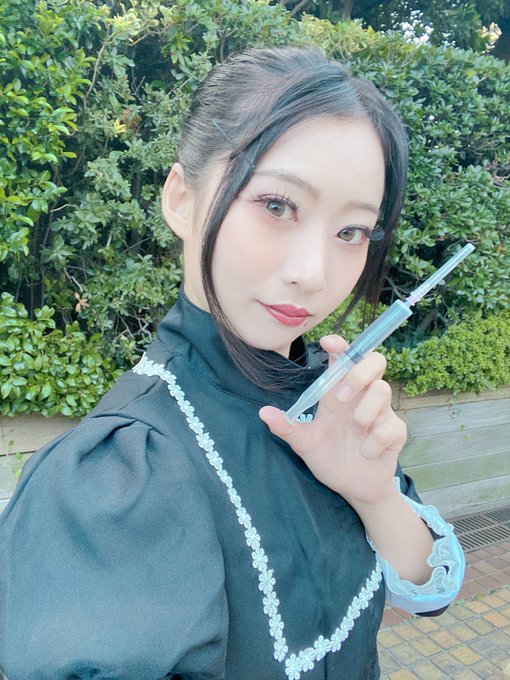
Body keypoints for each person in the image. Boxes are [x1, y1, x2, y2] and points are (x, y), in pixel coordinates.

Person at [0, 46, 465, 680]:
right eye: (277, 206)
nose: (313, 273)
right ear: (181, 199)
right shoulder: (124, 473)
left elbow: (431, 594)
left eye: (351, 231)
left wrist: (375, 494)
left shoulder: (333, 399)